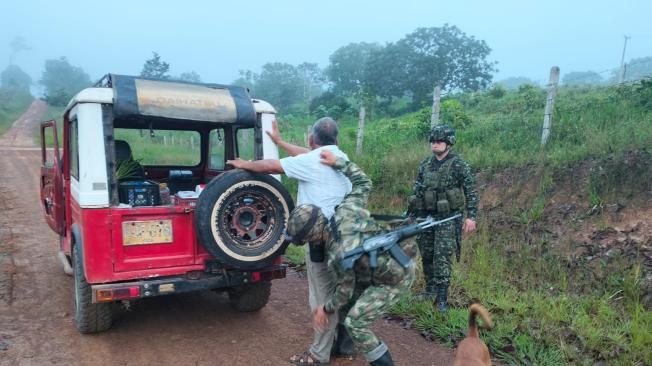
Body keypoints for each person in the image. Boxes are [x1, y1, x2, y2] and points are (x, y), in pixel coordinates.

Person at [226, 117, 354, 366]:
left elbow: (270, 166)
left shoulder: (310, 160)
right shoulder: (343, 158)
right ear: (336, 140)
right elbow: (307, 154)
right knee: (344, 292)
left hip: (322, 239)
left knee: (321, 297)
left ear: (311, 138)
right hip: (348, 238)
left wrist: (245, 164)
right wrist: (280, 142)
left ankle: (318, 355)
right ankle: (345, 347)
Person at [287, 150, 415, 366]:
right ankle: (345, 348)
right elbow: (363, 182)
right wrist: (339, 162)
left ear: (312, 237)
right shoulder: (345, 209)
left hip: (394, 280)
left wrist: (324, 309)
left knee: (356, 323)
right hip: (389, 263)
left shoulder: (338, 254)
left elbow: (343, 293)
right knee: (350, 304)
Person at [407, 124, 479, 312]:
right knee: (427, 254)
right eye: (432, 141)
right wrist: (410, 213)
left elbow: (471, 190)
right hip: (427, 218)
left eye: (439, 141)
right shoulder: (425, 164)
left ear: (449, 142)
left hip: (448, 219)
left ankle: (442, 299)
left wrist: (471, 216)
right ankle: (430, 290)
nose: (435, 144)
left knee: (442, 256)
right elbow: (417, 189)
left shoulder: (458, 164)